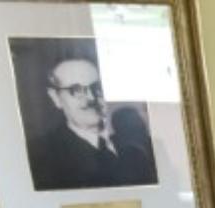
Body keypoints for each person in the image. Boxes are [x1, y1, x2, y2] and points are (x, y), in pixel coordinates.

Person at [26, 54, 156, 192]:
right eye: (75, 90)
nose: (90, 97)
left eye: (97, 87)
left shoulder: (138, 147)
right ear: (55, 97)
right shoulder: (40, 155)